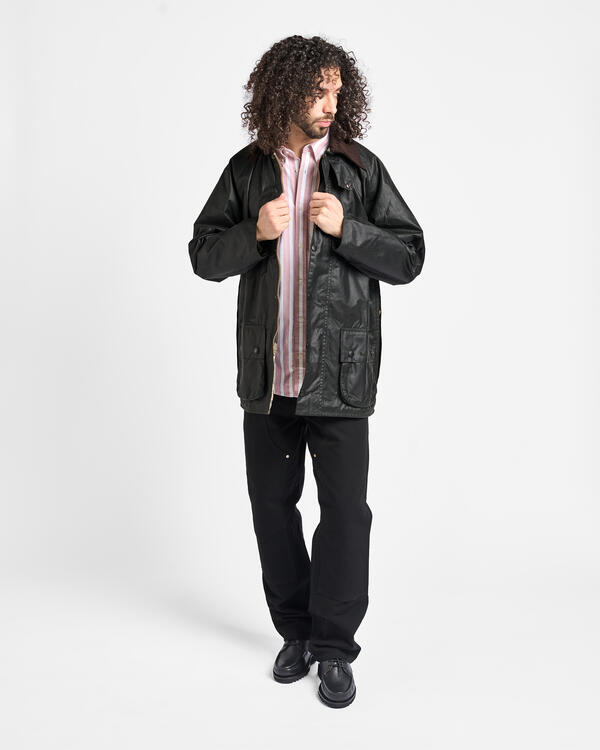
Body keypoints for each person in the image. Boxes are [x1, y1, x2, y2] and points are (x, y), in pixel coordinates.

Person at [187, 35, 425, 708]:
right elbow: (203, 254)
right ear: (284, 92)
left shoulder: (359, 169)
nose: (329, 104)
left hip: (340, 378)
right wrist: (254, 233)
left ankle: (335, 647)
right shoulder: (246, 171)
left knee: (345, 515)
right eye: (318, 91)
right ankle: (294, 632)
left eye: (336, 92)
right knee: (272, 509)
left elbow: (409, 256)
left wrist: (350, 229)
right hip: (268, 381)